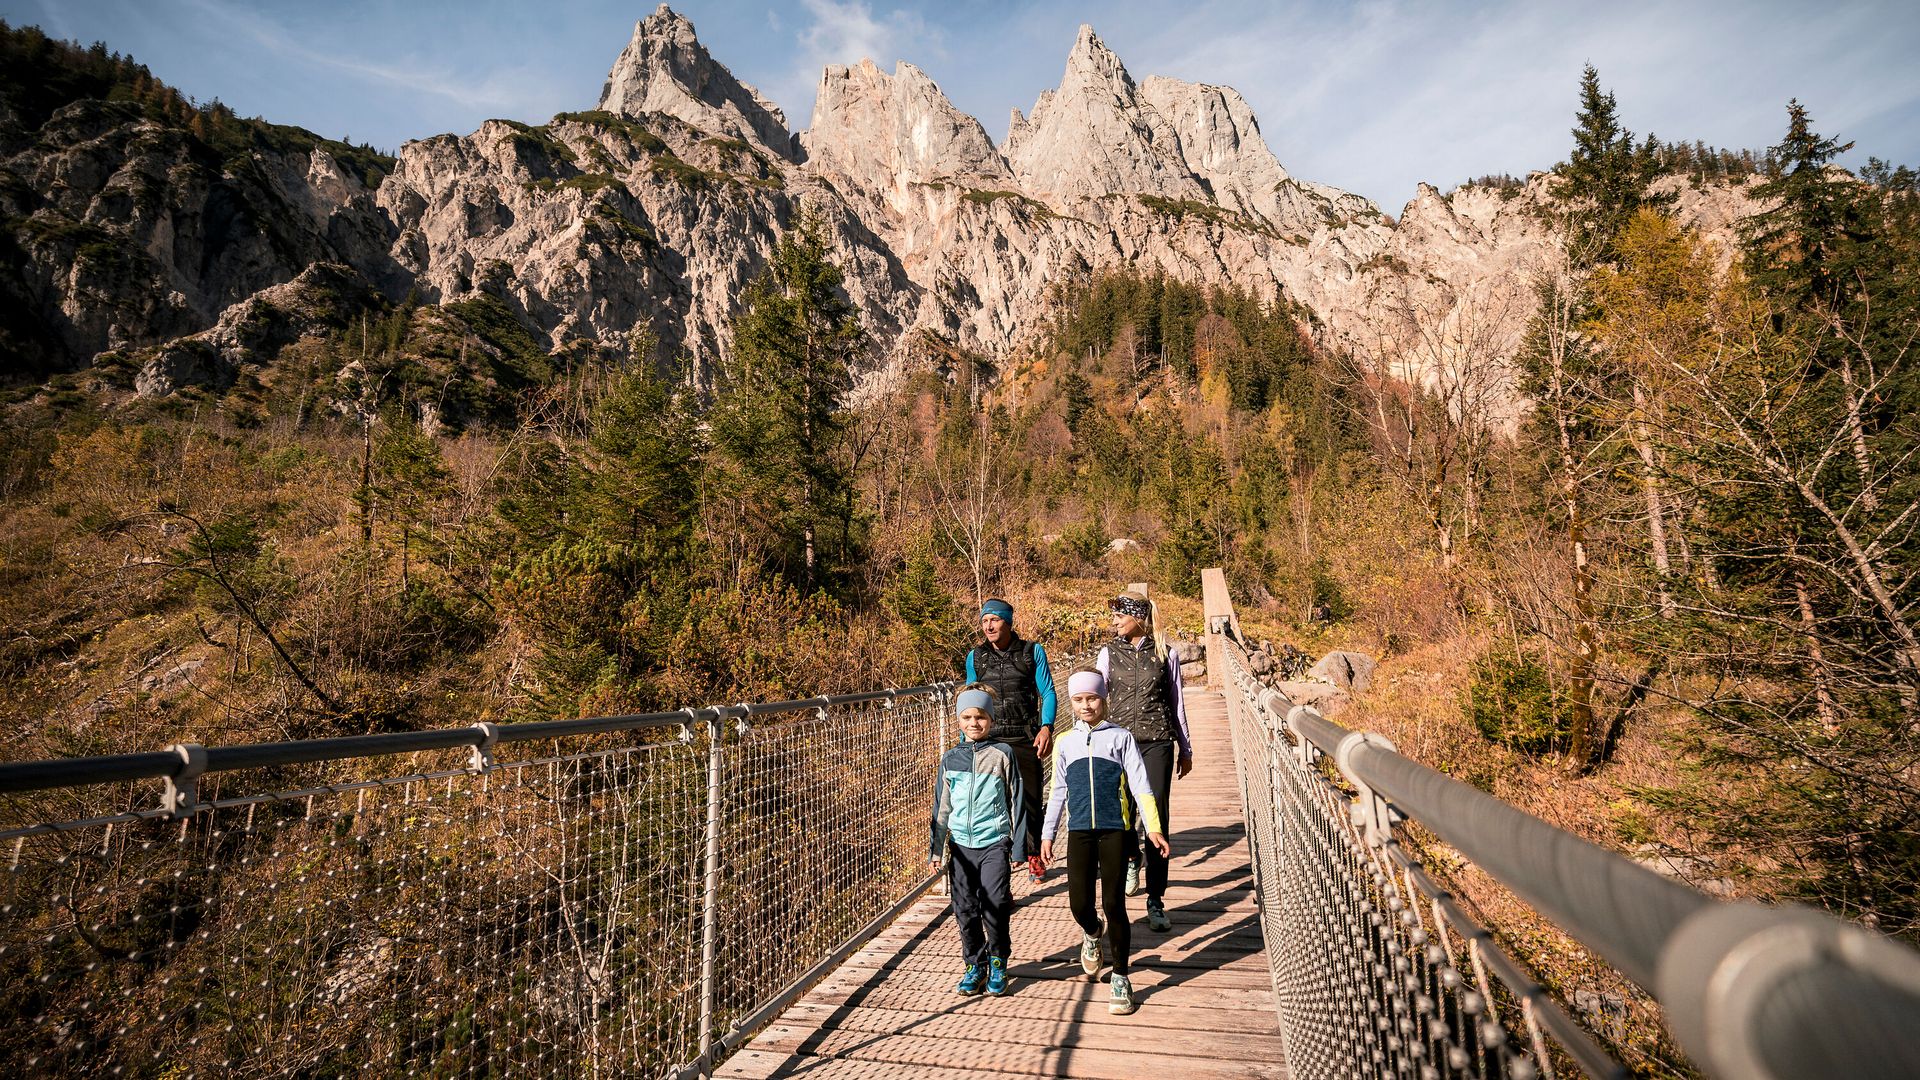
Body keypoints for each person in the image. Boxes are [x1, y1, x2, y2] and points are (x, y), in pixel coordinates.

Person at [1038, 668, 1169, 1016]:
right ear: (1071, 701)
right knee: (1079, 904)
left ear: (1104, 698)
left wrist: (1152, 828)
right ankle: (1093, 933)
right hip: (1079, 832)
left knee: (1115, 904)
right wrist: (1048, 834)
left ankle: (1122, 977)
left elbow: (1140, 785)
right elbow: (1058, 792)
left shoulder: (1120, 737)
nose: (1086, 705)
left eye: (1092, 698)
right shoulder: (1065, 742)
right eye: (1079, 699)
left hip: (1114, 829)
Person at [1096, 589, 1193, 934]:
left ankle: (1156, 899)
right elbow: (1095, 698)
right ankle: (1130, 859)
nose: (1115, 622)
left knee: (1156, 816)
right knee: (1120, 814)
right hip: (1118, 743)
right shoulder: (1108, 653)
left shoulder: (1166, 652)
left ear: (1139, 617)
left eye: (1120, 615)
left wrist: (1186, 747)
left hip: (1157, 744)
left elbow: (1176, 700)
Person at [929, 684, 1027, 996]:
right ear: (958, 720)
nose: (974, 723)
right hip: (959, 846)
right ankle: (975, 964)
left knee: (995, 903)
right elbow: (942, 807)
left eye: (981, 717)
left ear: (991, 719)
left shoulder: (1003, 755)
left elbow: (1017, 801)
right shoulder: (950, 759)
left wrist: (1020, 844)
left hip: (995, 842)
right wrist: (936, 847)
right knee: (965, 907)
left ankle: (998, 960)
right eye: (967, 716)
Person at [964, 598, 1056, 881]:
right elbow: (970, 700)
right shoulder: (975, 657)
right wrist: (966, 742)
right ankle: (999, 872)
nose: (988, 626)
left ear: (1008, 622)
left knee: (1029, 799)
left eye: (994, 620)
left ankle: (1032, 855)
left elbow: (1048, 692)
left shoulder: (1031, 652)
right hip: (989, 739)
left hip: (1024, 736)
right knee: (993, 804)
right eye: (984, 621)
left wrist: (1046, 728)